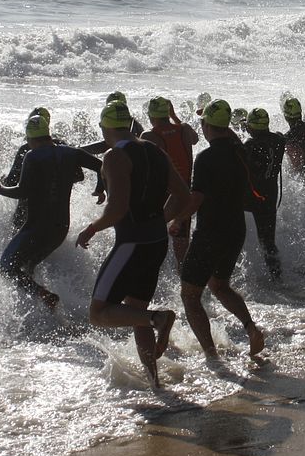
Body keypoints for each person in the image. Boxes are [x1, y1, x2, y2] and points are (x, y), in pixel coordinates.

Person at [76, 101, 188, 389]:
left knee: (99, 313)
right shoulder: (154, 150)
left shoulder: (115, 156)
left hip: (132, 243)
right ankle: (154, 381)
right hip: (156, 241)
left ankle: (159, 318)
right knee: (137, 312)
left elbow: (117, 209)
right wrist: (160, 221)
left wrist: (90, 229)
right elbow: (182, 196)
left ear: (104, 127)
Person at [172, 100, 266, 359]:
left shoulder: (206, 158)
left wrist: (178, 220)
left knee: (190, 296)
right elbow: (231, 138)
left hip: (210, 233)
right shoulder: (239, 152)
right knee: (220, 286)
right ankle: (251, 329)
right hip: (236, 230)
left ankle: (211, 355)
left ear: (206, 126)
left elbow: (197, 198)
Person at [0, 113, 102, 309]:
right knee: (28, 267)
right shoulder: (71, 152)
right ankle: (40, 312)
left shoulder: (32, 156)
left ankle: (44, 296)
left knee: (6, 268)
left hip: (37, 228)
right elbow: (101, 166)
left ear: (30, 138)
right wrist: (101, 188)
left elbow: (23, 191)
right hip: (60, 229)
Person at [144, 96, 199, 265]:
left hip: (166, 194)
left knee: (148, 238)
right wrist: (175, 117)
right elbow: (195, 139)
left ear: (151, 116)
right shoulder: (184, 129)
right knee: (182, 247)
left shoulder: (149, 136)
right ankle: (186, 284)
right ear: (168, 113)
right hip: (186, 194)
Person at [241, 107, 287, 280]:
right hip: (270, 195)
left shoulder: (249, 144)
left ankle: (230, 273)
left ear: (251, 127)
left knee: (228, 231)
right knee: (268, 242)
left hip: (250, 196)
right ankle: (277, 277)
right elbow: (280, 136)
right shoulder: (280, 140)